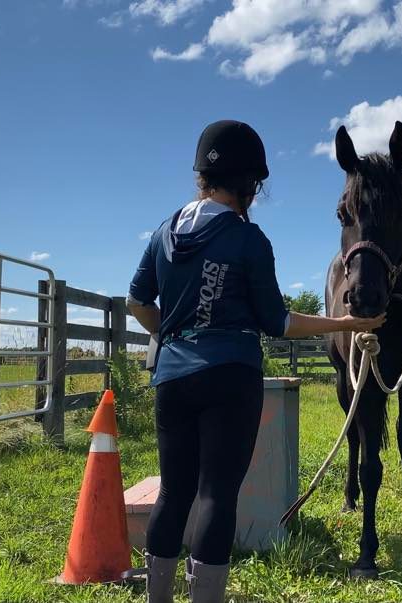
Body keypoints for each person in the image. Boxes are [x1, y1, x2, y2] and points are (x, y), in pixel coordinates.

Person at [126, 120, 385, 603]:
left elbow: (137, 302)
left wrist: (174, 335)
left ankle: (156, 597)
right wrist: (345, 325)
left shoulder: (164, 233)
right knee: (216, 496)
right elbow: (276, 322)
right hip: (230, 378)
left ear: (202, 176)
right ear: (251, 183)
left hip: (172, 378)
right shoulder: (249, 240)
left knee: (172, 493)